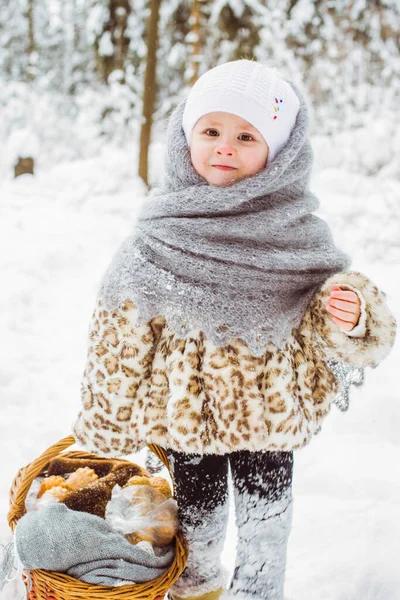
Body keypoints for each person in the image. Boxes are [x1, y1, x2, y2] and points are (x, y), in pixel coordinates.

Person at [73, 60, 396, 600]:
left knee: (267, 522)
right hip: (185, 417)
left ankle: (259, 592)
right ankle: (197, 589)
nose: (225, 147)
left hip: (265, 413)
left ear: (282, 150)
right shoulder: (159, 235)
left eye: (247, 136)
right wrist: (107, 421)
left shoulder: (296, 236)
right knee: (195, 522)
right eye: (212, 131)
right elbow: (118, 337)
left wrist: (352, 316)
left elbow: (325, 322)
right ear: (186, 136)